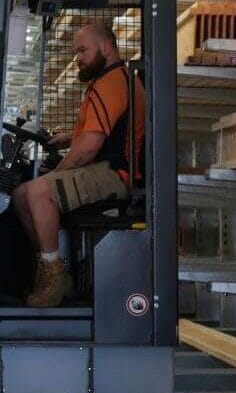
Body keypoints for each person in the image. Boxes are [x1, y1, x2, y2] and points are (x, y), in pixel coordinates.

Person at [12, 21, 145, 309]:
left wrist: (56, 173)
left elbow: (87, 150)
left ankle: (55, 276)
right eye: (75, 53)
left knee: (36, 192)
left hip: (113, 175)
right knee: (21, 194)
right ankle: (48, 267)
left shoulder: (109, 84)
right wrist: (68, 137)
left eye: (82, 51)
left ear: (106, 47)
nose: (78, 59)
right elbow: (105, 131)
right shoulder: (115, 79)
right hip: (105, 169)